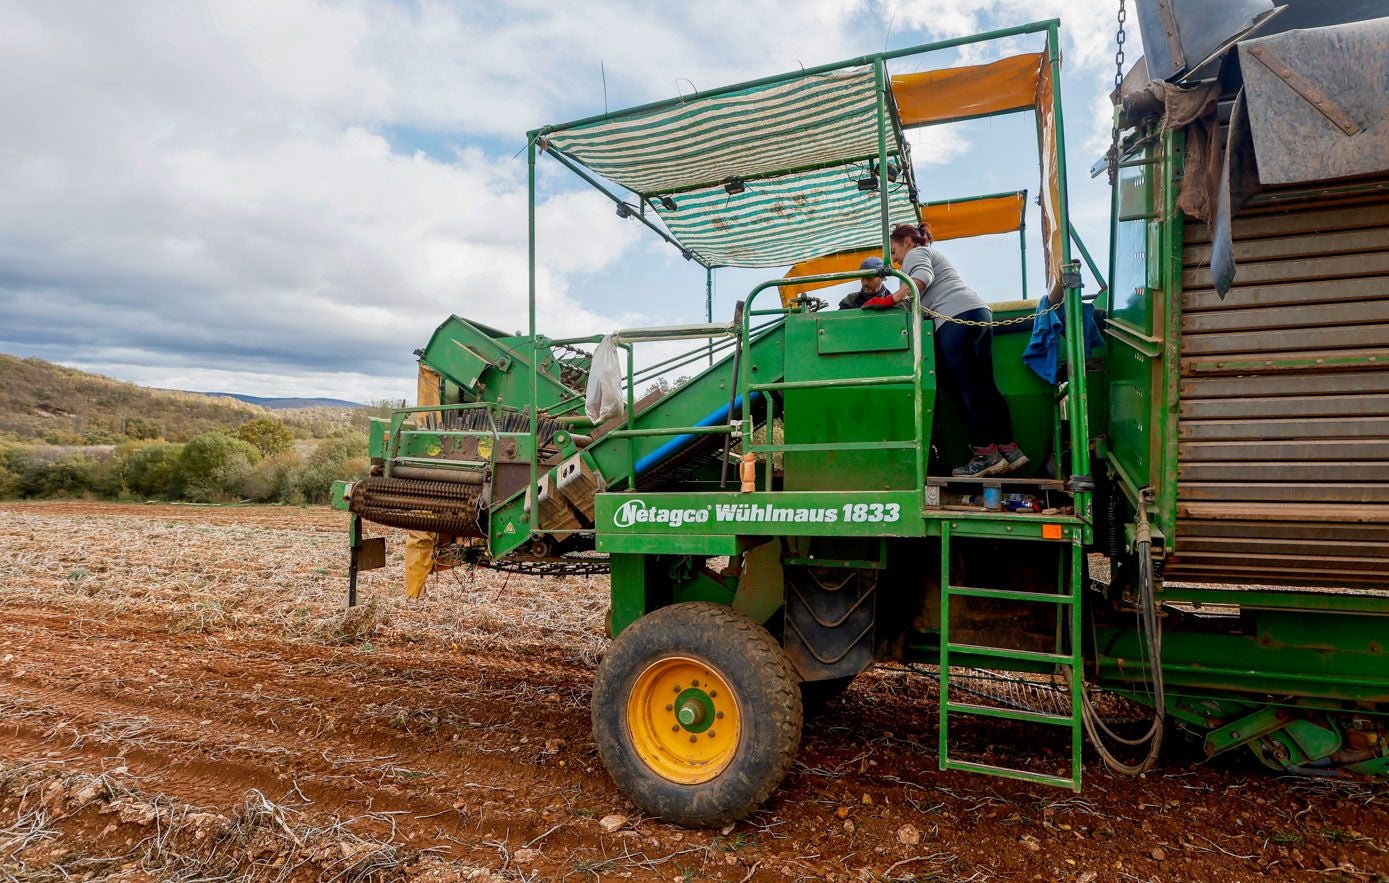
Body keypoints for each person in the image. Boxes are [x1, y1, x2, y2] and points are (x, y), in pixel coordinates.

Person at [862, 222, 1028, 478]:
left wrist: (889, 300)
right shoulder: (931, 255)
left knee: (966, 389)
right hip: (977, 312)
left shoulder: (917, 253)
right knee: (985, 386)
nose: (894, 260)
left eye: (894, 252)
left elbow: (921, 279)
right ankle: (1010, 450)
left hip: (954, 318)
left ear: (907, 242)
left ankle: (986, 454)